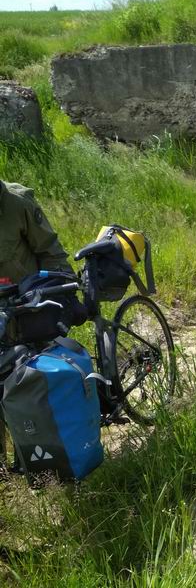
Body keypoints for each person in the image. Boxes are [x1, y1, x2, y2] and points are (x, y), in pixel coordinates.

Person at [0, 179, 73, 474]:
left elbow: (51, 250)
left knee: (36, 393)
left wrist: (63, 294)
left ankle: (56, 464)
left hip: (29, 311)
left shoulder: (18, 205)